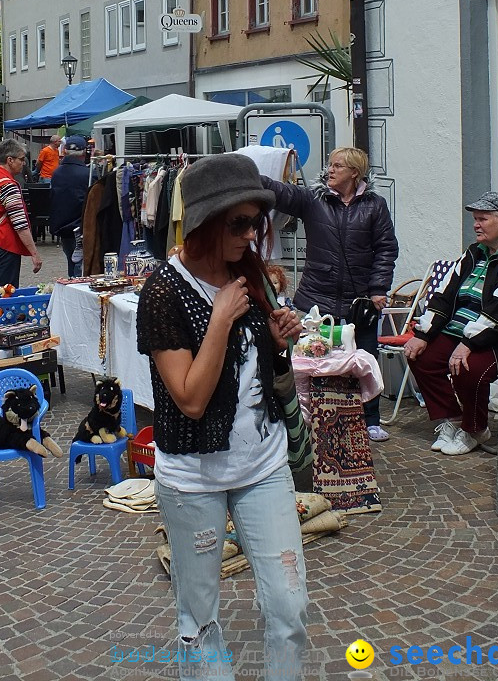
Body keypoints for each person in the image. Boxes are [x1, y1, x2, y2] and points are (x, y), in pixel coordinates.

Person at [136, 153, 308, 681]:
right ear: (206, 221)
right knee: (200, 617)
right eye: (240, 222)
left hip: (263, 467)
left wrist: (276, 342)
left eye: (258, 222)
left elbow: (258, 372)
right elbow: (189, 398)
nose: (253, 234)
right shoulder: (163, 291)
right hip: (193, 479)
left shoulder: (248, 271)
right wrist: (219, 322)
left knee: (289, 606)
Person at [259, 147, 398, 443]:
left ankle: (370, 419)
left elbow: (386, 248)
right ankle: (311, 416)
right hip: (315, 297)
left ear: (354, 173)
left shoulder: (375, 206)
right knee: (311, 358)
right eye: (329, 164)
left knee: (365, 359)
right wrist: (250, 176)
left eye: (338, 166)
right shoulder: (314, 199)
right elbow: (282, 193)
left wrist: (378, 289)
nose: (330, 170)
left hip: (360, 301)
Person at [404, 192, 498, 456]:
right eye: (475, 219)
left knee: (467, 368)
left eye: (482, 219)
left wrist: (467, 343)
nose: (476, 225)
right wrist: (423, 333)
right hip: (460, 330)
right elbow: (444, 293)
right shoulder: (473, 252)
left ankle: (475, 429)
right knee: (420, 357)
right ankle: (453, 419)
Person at [0, 139, 43, 289]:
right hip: (3, 243)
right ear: (10, 160)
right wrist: (34, 253)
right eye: (21, 159)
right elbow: (20, 223)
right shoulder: (7, 184)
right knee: (7, 290)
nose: (24, 163)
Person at [49, 135, 89, 277]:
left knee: (71, 262)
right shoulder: (88, 174)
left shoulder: (56, 173)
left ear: (65, 151)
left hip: (64, 228)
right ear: (84, 153)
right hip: (82, 228)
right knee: (81, 266)